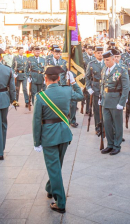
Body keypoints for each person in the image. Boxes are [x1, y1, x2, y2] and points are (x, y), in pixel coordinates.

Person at [32, 66, 83, 214]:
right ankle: (50, 188)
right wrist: (73, 82)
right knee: (56, 165)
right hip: (64, 134)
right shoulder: (67, 90)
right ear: (59, 78)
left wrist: (36, 142)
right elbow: (80, 96)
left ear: (45, 79)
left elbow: (36, 121)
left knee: (54, 168)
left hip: (49, 136)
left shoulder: (41, 96)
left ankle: (60, 202)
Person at [100, 50, 130, 155]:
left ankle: (117, 145)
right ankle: (110, 144)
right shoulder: (104, 69)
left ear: (113, 59)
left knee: (117, 124)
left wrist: (121, 103)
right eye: (104, 60)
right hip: (106, 100)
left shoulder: (121, 70)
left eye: (107, 60)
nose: (106, 62)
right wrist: (101, 97)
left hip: (116, 100)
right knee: (107, 123)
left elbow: (126, 87)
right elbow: (102, 84)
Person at [85, 46, 104, 134]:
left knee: (105, 108)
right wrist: (88, 88)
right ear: (95, 54)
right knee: (96, 109)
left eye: (101, 53)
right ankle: (98, 126)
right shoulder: (91, 64)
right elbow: (87, 77)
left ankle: (105, 126)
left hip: (105, 88)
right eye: (98, 53)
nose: (100, 54)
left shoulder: (106, 62)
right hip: (95, 87)